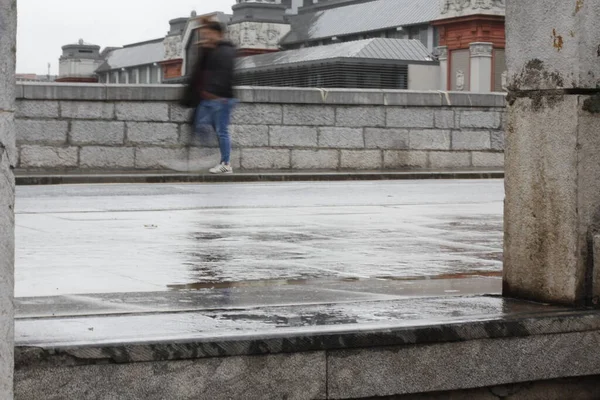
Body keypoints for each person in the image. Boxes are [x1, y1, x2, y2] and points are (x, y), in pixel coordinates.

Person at [182, 18, 237, 174]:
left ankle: (226, 163)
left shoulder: (226, 51)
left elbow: (225, 75)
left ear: (217, 33)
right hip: (208, 97)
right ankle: (214, 153)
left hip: (221, 98)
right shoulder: (213, 49)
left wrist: (220, 95)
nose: (206, 37)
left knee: (221, 130)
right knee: (198, 124)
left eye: (208, 34)